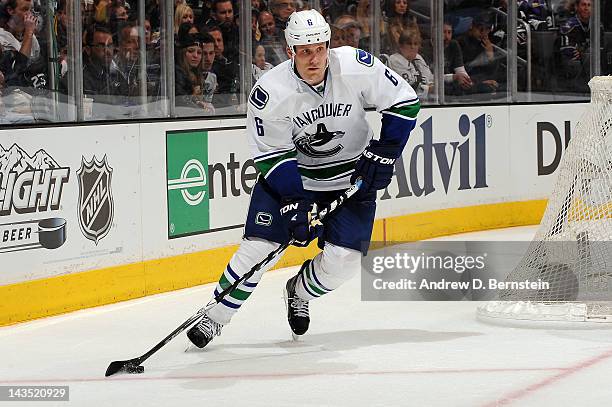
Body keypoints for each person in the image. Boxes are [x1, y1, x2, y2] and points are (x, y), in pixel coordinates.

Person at [186, 9, 420, 348]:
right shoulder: (270, 91)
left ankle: (298, 291)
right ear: (290, 50)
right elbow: (273, 154)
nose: (314, 58)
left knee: (343, 262)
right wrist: (296, 202)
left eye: (320, 48)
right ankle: (214, 316)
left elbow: (404, 101)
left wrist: (385, 150)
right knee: (259, 249)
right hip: (292, 179)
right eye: (305, 51)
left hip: (349, 179)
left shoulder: (355, 65)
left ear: (328, 44)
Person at [388, 27, 433, 100]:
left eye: (415, 44)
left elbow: (430, 79)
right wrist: (431, 89)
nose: (412, 47)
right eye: (409, 44)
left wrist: (451, 77)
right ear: (401, 46)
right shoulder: (395, 60)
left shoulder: (418, 58)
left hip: (425, 100)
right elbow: (409, 87)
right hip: (403, 101)